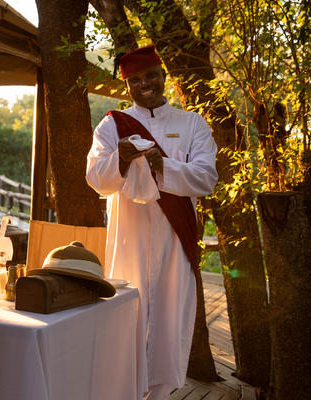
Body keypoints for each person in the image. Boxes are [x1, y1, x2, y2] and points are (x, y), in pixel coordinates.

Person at [85, 45, 218, 400]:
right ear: (127, 85)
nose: (145, 84)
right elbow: (95, 177)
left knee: (170, 315)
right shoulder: (112, 124)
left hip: (176, 235)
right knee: (127, 309)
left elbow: (206, 178)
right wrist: (121, 159)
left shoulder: (192, 123)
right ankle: (120, 389)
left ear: (163, 75)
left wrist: (163, 165)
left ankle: (160, 393)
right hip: (129, 232)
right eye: (135, 79)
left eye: (151, 76)